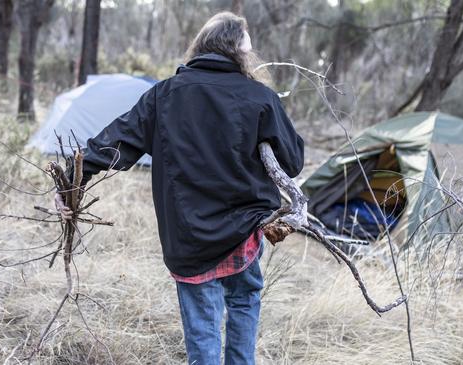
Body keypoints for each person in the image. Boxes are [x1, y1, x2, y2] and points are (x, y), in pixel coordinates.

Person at [55, 11, 304, 365]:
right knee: (244, 302)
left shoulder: (165, 94)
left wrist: (71, 180)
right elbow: (292, 161)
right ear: (239, 54)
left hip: (190, 239)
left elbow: (116, 142)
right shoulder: (260, 97)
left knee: (203, 327)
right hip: (244, 233)